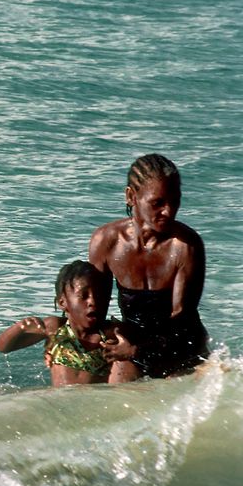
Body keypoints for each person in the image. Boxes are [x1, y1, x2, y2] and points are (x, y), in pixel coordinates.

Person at [88, 153, 209, 378]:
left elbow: (182, 321)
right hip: (131, 343)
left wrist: (136, 349)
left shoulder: (186, 246)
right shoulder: (106, 242)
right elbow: (93, 312)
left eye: (175, 201)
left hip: (180, 345)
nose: (169, 211)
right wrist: (63, 343)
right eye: (158, 203)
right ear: (131, 196)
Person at [0, 261, 139, 386]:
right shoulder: (54, 328)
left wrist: (131, 351)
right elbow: (3, 347)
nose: (92, 302)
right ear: (62, 302)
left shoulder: (111, 333)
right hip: (61, 404)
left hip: (94, 406)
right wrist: (19, 328)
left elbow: (150, 347)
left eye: (98, 295)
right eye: (83, 296)